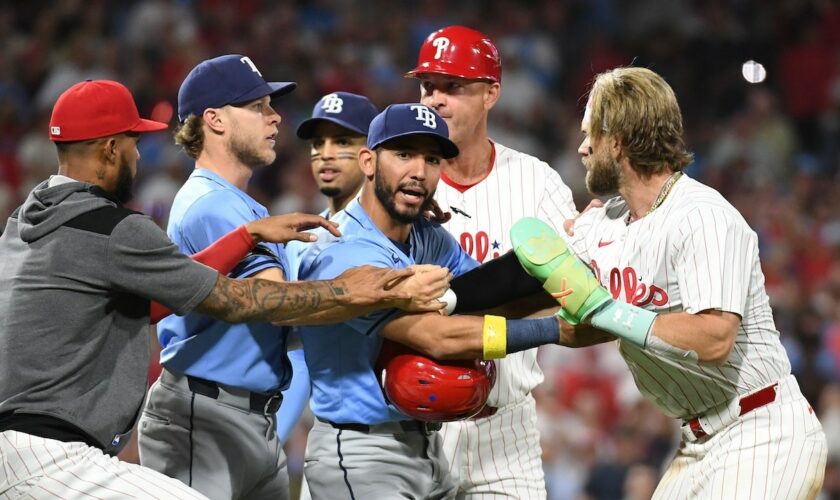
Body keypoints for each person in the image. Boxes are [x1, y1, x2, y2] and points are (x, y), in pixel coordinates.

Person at [0, 80, 441, 499]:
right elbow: (237, 300)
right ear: (111, 148)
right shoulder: (116, 227)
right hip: (59, 452)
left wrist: (245, 236)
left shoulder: (24, 225)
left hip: (32, 446)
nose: (139, 157)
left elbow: (157, 300)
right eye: (134, 143)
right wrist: (353, 291)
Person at [134, 56, 448, 500]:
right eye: (259, 107)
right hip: (205, 417)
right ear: (215, 120)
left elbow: (297, 302)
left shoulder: (242, 205)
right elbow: (280, 305)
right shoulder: (212, 205)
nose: (275, 116)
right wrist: (368, 288)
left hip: (246, 415)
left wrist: (395, 213)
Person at [510, 66, 828, 499]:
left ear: (618, 140)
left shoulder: (702, 216)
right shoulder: (603, 223)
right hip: (696, 442)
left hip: (761, 430)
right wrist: (456, 305)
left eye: (591, 135)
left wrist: (607, 309)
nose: (582, 148)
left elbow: (715, 337)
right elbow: (553, 295)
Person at [294, 102, 566, 500]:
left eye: (432, 159)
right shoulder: (342, 250)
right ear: (368, 162)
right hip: (362, 455)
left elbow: (485, 294)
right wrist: (556, 331)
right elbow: (439, 337)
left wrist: (565, 268)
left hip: (429, 449)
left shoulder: (426, 237)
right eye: (404, 154)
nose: (419, 172)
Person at [405, 25, 578, 498]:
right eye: (427, 87)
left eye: (453, 87)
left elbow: (574, 288)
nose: (435, 99)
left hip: (504, 429)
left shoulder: (535, 182)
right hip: (411, 427)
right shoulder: (400, 183)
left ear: (491, 93)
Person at [277, 91, 379, 450]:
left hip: (399, 428)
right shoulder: (299, 238)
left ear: (373, 152)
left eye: (343, 141)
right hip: (335, 430)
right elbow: (295, 349)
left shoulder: (399, 230)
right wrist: (272, 436)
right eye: (318, 142)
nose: (326, 152)